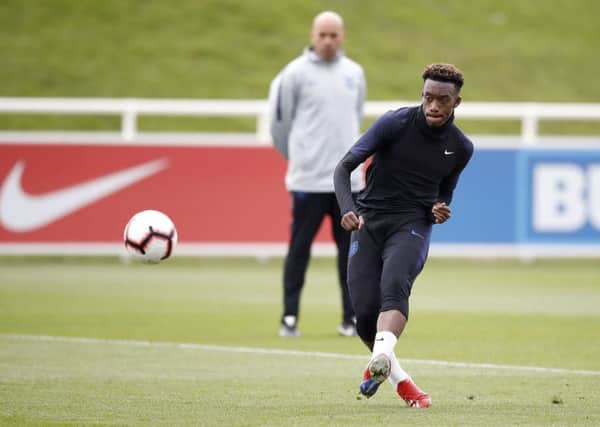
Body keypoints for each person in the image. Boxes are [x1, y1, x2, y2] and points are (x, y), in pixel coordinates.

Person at [333, 63, 473, 407]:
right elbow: (343, 168)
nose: (433, 106)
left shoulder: (461, 148)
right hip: (368, 222)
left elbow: (445, 193)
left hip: (412, 224)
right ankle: (401, 380)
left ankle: (383, 361)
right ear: (421, 96)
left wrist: (441, 208)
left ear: (456, 102)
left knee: (394, 285)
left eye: (442, 100)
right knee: (363, 314)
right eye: (428, 98)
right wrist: (347, 208)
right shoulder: (393, 123)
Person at [269, 11, 367, 337]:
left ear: (343, 36)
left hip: (348, 185)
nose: (328, 40)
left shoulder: (355, 73)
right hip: (308, 181)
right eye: (322, 34)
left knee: (351, 255)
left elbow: (355, 116)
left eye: (334, 35)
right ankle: (290, 317)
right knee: (299, 250)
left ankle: (350, 319)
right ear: (313, 35)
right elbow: (279, 125)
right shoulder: (293, 74)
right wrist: (300, 159)